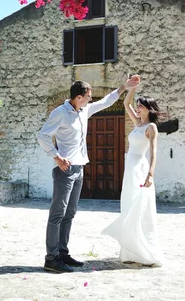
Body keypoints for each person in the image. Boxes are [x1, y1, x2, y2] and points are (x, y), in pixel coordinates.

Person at [37, 76, 140, 273]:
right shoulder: (60, 113)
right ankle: (51, 258)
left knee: (70, 214)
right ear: (78, 97)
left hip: (79, 168)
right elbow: (42, 135)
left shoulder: (84, 110)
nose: (91, 100)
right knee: (58, 214)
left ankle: (63, 253)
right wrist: (56, 157)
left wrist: (124, 87)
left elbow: (106, 101)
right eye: (88, 97)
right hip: (64, 170)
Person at [102, 80, 165, 266]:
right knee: (129, 206)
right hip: (129, 169)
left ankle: (146, 252)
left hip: (140, 168)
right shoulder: (137, 123)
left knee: (140, 209)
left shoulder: (150, 127)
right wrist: (133, 88)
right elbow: (125, 104)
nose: (136, 109)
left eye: (140, 106)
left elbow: (154, 151)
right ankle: (132, 252)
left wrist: (151, 174)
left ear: (148, 108)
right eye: (137, 106)